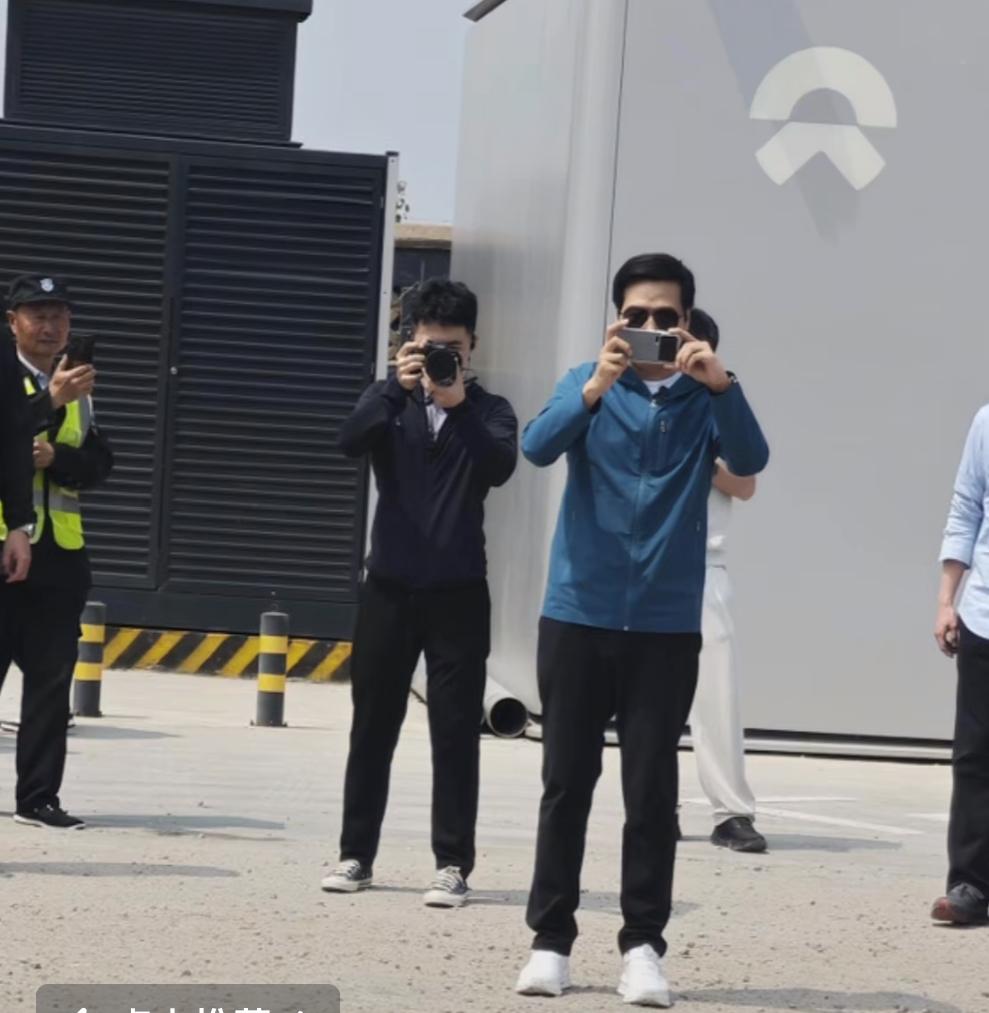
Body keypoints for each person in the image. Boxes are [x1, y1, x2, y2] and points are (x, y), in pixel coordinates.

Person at [515, 254, 769, 1005]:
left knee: (651, 793)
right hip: (577, 614)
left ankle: (643, 947)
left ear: (686, 321)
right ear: (616, 320)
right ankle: (550, 941)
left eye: (666, 316)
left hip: (663, 624)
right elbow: (536, 446)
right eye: (637, 315)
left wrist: (720, 384)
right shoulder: (585, 382)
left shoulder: (706, 397)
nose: (651, 327)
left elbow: (751, 460)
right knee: (566, 784)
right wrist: (595, 386)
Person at [322, 278, 518, 907]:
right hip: (388, 589)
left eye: (453, 349)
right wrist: (392, 387)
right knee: (372, 728)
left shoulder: (491, 410)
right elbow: (347, 441)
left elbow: (499, 468)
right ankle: (355, 855)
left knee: (455, 733)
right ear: (409, 342)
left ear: (473, 346)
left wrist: (457, 404)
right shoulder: (390, 401)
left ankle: (452, 864)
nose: (441, 358)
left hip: (459, 594)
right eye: (431, 346)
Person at [0, 274, 113, 830]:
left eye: (60, 316)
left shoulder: (77, 386)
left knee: (51, 679)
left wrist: (58, 461)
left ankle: (39, 798)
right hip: (4, 544)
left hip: (61, 554)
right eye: (38, 315)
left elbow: (100, 462)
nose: (50, 327)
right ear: (13, 322)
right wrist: (50, 402)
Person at [682, 308, 767, 855]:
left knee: (716, 693)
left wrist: (700, 459)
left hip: (703, 566)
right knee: (644, 700)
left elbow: (747, 483)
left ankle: (732, 813)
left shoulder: (720, 403)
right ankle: (655, 806)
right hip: (642, 568)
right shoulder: (632, 396)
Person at [932, 402, 989, 925]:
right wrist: (947, 600)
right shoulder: (987, 422)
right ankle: (970, 883)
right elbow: (966, 506)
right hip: (983, 616)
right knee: (974, 757)